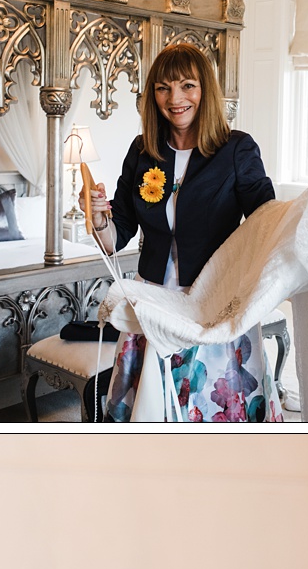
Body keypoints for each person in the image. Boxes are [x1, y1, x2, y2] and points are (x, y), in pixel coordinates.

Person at [88, 42, 281, 421]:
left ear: (205, 90)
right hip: (153, 303)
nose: (175, 98)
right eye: (163, 87)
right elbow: (117, 236)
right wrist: (98, 220)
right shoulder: (142, 151)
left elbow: (265, 224)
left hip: (212, 306)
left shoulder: (237, 150)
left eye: (187, 85)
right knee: (150, 413)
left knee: (212, 411)